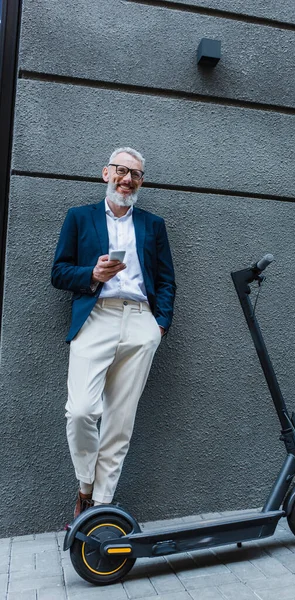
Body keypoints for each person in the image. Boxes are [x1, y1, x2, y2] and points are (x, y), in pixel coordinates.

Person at [51, 147, 176, 518]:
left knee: (120, 420)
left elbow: (167, 279)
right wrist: (91, 274)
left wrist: (159, 325)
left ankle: (100, 508)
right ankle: (86, 486)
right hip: (96, 316)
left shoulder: (153, 225)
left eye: (135, 174)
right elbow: (58, 272)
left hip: (141, 322)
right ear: (106, 173)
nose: (127, 179)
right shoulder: (79, 218)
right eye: (122, 171)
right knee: (81, 412)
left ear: (141, 182)